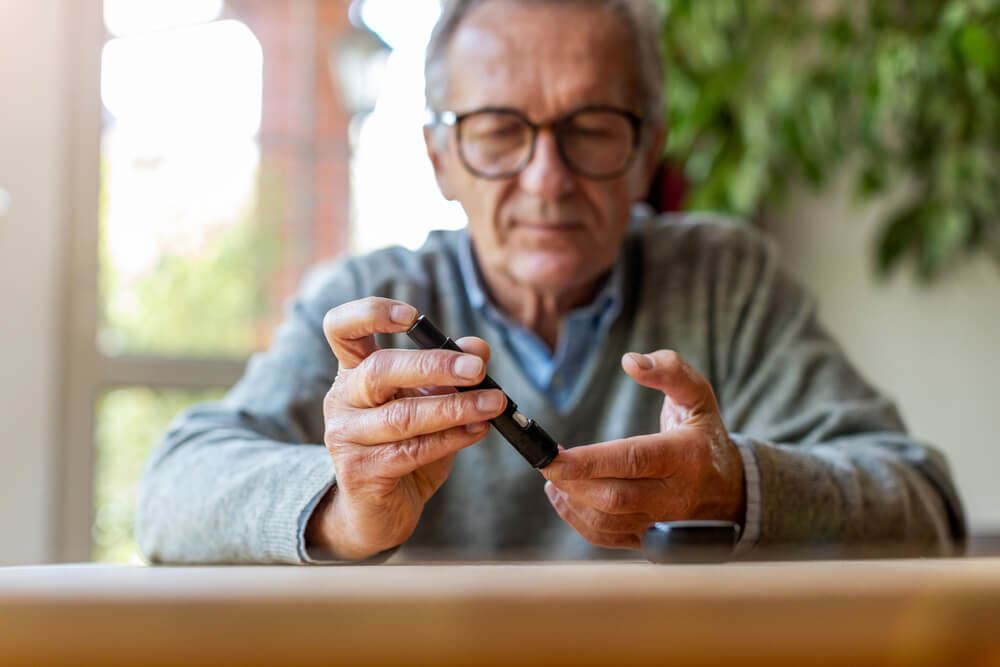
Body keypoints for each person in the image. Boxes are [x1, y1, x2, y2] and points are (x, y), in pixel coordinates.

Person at [136, 0, 965, 564]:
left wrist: (736, 486)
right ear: (440, 159)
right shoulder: (366, 306)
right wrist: (344, 508)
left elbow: (927, 508)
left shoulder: (726, 281)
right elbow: (170, 491)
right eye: (499, 130)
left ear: (648, 152)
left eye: (592, 128)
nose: (548, 179)